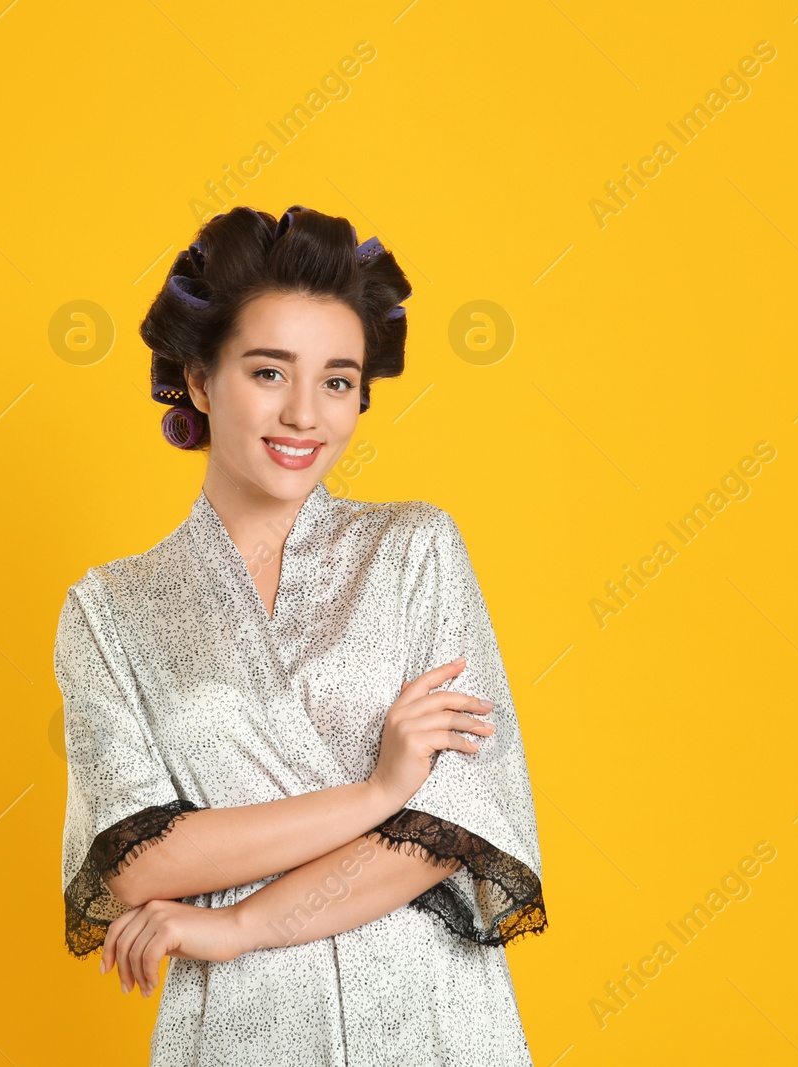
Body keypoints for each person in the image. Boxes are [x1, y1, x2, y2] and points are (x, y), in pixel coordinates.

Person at [57, 204, 546, 1065]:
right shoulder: (111, 610)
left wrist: (241, 921)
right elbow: (138, 859)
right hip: (242, 1031)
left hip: (431, 1018)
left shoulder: (414, 550)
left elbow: (452, 822)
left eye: (336, 380)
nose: (305, 415)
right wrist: (376, 790)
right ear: (201, 380)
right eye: (269, 372)